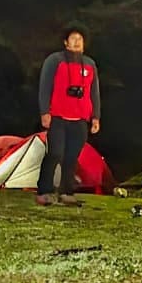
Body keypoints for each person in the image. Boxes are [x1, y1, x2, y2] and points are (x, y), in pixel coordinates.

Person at [36, 23, 101, 206]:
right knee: (55, 153)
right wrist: (44, 112)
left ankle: (66, 192)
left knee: (72, 157)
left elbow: (93, 92)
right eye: (73, 38)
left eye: (80, 39)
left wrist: (96, 116)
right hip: (57, 117)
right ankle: (44, 190)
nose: (77, 42)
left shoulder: (89, 64)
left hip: (80, 119)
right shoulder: (55, 60)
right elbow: (45, 87)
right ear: (66, 42)